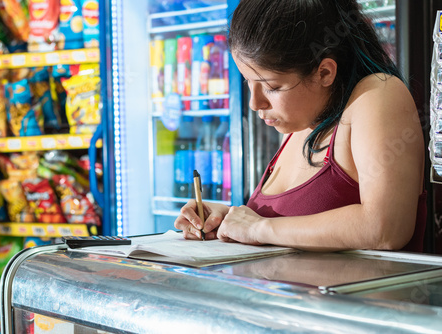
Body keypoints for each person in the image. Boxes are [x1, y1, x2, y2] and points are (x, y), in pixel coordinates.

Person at [174, 0, 427, 252]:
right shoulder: (301, 121)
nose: (255, 103)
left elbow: (385, 229)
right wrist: (228, 219)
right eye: (247, 81)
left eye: (272, 87)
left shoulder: (377, 94)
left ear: (325, 73)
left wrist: (257, 228)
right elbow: (292, 227)